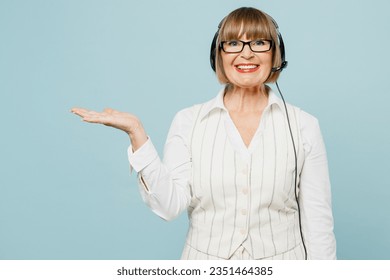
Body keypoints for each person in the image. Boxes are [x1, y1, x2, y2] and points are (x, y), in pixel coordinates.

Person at [71, 7, 336, 260]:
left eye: (259, 43)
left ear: (275, 53)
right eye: (233, 44)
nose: (246, 54)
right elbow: (168, 205)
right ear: (218, 54)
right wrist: (136, 133)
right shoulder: (188, 121)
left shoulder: (303, 126)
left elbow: (318, 224)